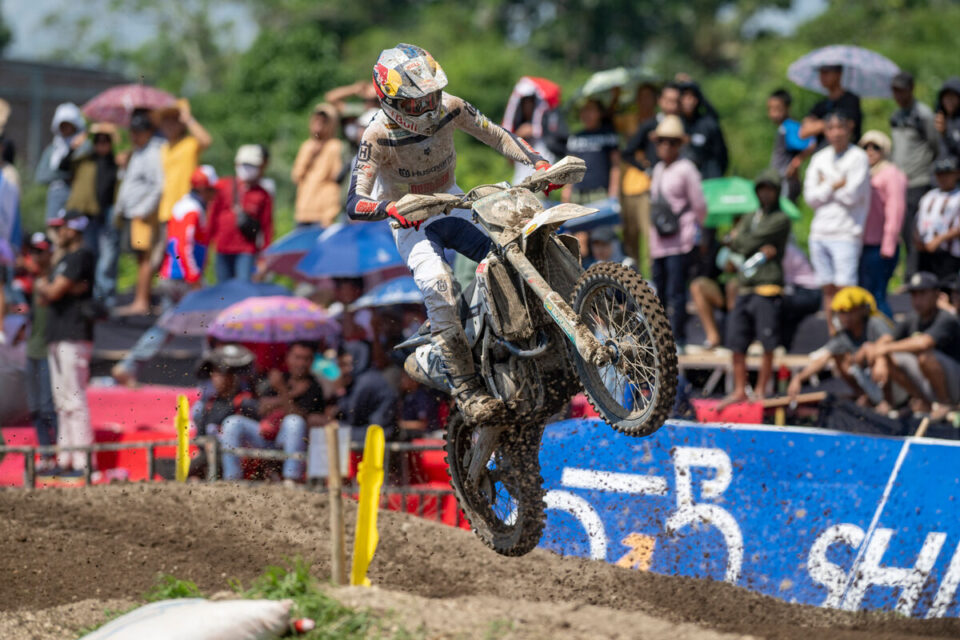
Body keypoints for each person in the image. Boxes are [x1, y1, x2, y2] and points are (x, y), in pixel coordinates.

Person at [345, 43, 554, 424]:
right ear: (391, 100)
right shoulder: (376, 134)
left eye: (431, 96)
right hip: (411, 220)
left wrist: (537, 161)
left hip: (453, 203)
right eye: (416, 102)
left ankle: (528, 336)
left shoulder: (451, 106)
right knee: (439, 286)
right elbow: (354, 200)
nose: (427, 107)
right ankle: (467, 389)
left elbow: (497, 135)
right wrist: (388, 208)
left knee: (515, 250)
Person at [718, 170, 791, 408]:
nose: (765, 194)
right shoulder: (750, 216)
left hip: (767, 286)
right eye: (761, 189)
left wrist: (738, 239)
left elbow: (743, 241)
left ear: (776, 192)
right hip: (745, 286)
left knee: (767, 342)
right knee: (736, 341)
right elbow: (737, 243)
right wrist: (740, 241)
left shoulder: (781, 219)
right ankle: (739, 389)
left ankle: (760, 390)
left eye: (769, 189)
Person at [35, 212, 95, 474]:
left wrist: (51, 287)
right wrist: (52, 287)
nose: (58, 233)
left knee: (74, 399)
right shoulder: (64, 259)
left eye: (62, 228)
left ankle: (83, 462)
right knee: (62, 402)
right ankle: (66, 459)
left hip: (74, 334)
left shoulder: (80, 256)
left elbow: (52, 291)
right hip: (60, 334)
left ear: (74, 228)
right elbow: (46, 296)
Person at [220, 342, 328, 484]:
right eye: (297, 357)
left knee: (294, 422)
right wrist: (292, 394)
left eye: (306, 359)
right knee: (232, 423)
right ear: (288, 358)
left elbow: (299, 416)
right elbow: (261, 408)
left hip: (287, 440)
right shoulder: (276, 378)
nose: (301, 363)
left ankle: (291, 478)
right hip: (264, 433)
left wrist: (282, 390)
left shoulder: (314, 387)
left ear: (312, 361)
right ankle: (232, 478)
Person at [803, 111, 871, 331]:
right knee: (827, 289)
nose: (836, 133)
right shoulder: (819, 158)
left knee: (846, 289)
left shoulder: (858, 157)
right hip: (820, 232)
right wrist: (835, 184)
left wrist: (826, 183)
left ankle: (851, 336)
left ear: (849, 128)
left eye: (840, 128)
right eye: (831, 128)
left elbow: (852, 195)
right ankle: (834, 335)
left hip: (846, 232)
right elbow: (811, 198)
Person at [863, 272, 960, 420]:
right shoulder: (912, 317)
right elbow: (886, 340)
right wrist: (881, 357)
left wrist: (884, 349)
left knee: (925, 355)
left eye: (922, 293)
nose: (917, 299)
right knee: (885, 355)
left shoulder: (946, 318)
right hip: (928, 381)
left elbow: (923, 343)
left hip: (954, 382)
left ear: (936, 294)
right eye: (914, 294)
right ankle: (921, 402)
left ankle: (945, 403)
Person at [648, 114, 707, 348]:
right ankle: (659, 338)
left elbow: (699, 205)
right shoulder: (658, 169)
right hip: (659, 241)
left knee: (676, 291)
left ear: (679, 144)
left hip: (681, 239)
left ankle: (678, 338)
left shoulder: (687, 169)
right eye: (661, 141)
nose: (666, 146)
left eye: (672, 142)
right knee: (659, 291)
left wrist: (699, 233)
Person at [787, 287, 895, 407]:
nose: (845, 317)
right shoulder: (844, 335)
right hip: (868, 379)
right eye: (841, 313)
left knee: (875, 353)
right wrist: (799, 378)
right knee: (838, 356)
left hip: (895, 379)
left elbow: (888, 340)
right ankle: (864, 396)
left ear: (861, 310)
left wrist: (875, 355)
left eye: (849, 311)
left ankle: (888, 402)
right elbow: (823, 358)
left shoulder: (874, 322)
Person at [621, 82, 681, 271]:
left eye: (675, 101)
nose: (672, 105)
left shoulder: (684, 125)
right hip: (652, 188)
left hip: (677, 189)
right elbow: (627, 152)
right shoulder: (649, 125)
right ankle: (640, 279)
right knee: (648, 234)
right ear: (660, 101)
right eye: (668, 100)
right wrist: (646, 169)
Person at [113, 112, 164, 316]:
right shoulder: (138, 152)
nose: (134, 136)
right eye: (132, 132)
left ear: (148, 132)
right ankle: (141, 298)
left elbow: (158, 185)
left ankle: (142, 301)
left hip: (142, 215)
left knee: (145, 258)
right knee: (139, 257)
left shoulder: (152, 153)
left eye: (138, 132)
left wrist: (144, 209)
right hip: (132, 213)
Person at [62, 123, 119, 303]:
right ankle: (91, 298)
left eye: (105, 141)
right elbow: (63, 167)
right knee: (89, 256)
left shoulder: (115, 163)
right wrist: (73, 147)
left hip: (107, 215)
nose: (101, 144)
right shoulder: (85, 160)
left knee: (108, 259)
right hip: (87, 215)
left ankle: (105, 299)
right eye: (98, 141)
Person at [890, 71, 938, 279]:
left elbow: (935, 145)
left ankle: (916, 277)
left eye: (901, 90)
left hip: (918, 181)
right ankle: (910, 276)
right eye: (895, 91)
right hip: (899, 183)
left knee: (916, 233)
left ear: (911, 89)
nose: (898, 95)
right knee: (903, 231)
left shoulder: (923, 114)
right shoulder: (896, 116)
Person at [562, 98, 621, 259]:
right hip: (578, 193)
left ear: (599, 113)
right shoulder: (575, 138)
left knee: (601, 237)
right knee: (579, 239)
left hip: (600, 193)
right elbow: (570, 168)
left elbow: (616, 166)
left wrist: (613, 193)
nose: (587, 114)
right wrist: (566, 192)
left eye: (591, 110)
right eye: (584, 110)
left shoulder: (609, 135)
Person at [858, 130, 906, 317]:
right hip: (863, 244)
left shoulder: (891, 173)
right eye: (866, 147)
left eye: (875, 147)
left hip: (880, 247)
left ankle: (887, 332)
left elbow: (896, 210)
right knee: (865, 297)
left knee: (877, 297)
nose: (870, 151)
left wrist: (889, 244)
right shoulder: (863, 173)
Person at [208, 145, 273, 282]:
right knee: (223, 289)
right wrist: (207, 244)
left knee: (243, 288)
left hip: (246, 250)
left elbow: (267, 228)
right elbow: (213, 216)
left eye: (252, 165)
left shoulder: (263, 195)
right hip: (222, 248)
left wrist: (264, 258)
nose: (247, 169)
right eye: (245, 164)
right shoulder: (224, 186)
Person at [154, 98, 212, 245]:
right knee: (168, 252)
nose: (169, 124)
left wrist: (188, 119)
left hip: (188, 207)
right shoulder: (163, 148)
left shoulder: (190, 143)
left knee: (186, 250)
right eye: (166, 120)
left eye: (174, 120)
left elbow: (206, 140)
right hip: (166, 209)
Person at [23, 233, 57, 471]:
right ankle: (46, 455)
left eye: (40, 251)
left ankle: (59, 454)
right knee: (35, 407)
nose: (36, 256)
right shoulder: (35, 281)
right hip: (32, 349)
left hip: (48, 350)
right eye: (33, 251)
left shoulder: (56, 281)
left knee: (47, 406)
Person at [159, 165, 218, 291]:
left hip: (183, 276)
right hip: (180, 279)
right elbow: (183, 245)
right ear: (203, 189)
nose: (214, 195)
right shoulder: (191, 209)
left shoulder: (190, 205)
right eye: (212, 190)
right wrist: (193, 277)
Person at [291, 103, 343, 228]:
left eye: (324, 121)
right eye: (316, 120)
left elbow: (336, 178)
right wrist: (310, 156)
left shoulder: (335, 147)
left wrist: (331, 213)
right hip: (303, 211)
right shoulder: (307, 146)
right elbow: (296, 176)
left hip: (323, 213)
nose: (319, 124)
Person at [334, 340, 397, 441]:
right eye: (341, 365)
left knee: (333, 431)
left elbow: (352, 416)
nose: (344, 370)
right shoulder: (360, 379)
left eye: (346, 364)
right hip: (368, 429)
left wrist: (341, 392)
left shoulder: (366, 382)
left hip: (379, 433)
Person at [35, 103, 85, 224]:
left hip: (76, 196)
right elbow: (41, 175)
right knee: (54, 227)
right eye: (63, 126)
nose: (66, 129)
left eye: (69, 126)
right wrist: (64, 175)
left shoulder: (83, 147)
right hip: (56, 195)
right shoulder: (53, 149)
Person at [915, 157, 960, 280]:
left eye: (947, 174)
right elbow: (918, 220)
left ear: (957, 174)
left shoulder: (957, 196)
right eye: (940, 174)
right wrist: (917, 239)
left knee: (946, 287)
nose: (943, 178)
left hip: (949, 253)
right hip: (926, 251)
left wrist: (939, 239)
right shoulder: (929, 196)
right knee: (926, 285)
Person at [767, 88, 814, 202]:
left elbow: (811, 143)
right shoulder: (783, 127)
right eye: (770, 109)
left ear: (787, 108)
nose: (773, 113)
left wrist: (797, 161)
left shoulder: (789, 127)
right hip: (779, 179)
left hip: (785, 180)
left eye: (777, 108)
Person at [800, 65, 863, 148]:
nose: (822, 76)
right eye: (821, 73)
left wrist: (819, 125)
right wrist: (832, 123)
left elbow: (849, 125)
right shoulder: (821, 104)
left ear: (839, 74)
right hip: (824, 152)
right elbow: (804, 132)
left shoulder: (850, 100)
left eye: (826, 72)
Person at [678, 81, 728, 179]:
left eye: (692, 97)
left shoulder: (708, 124)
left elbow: (721, 154)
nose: (688, 101)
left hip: (707, 177)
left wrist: (691, 140)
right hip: (684, 177)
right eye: (685, 96)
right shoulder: (676, 123)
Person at [934, 77, 960, 162]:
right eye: (946, 97)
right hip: (940, 167)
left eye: (953, 97)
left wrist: (945, 133)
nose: (949, 101)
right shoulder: (939, 118)